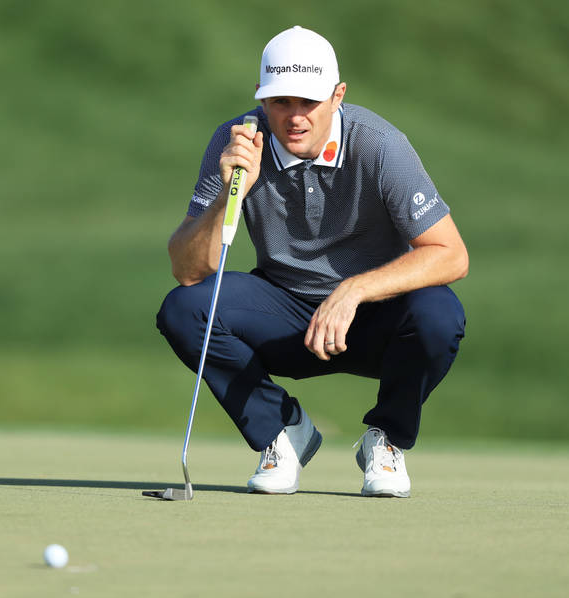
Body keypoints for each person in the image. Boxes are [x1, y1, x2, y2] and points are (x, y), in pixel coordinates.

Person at [156, 26, 467, 498]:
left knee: (439, 314)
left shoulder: (379, 145)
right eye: (281, 102)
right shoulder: (237, 142)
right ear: (261, 100)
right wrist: (227, 194)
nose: (295, 117)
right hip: (284, 316)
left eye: (309, 102)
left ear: (338, 95)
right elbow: (188, 270)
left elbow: (451, 254)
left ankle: (386, 439)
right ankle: (281, 431)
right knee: (184, 308)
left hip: (372, 320)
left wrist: (354, 290)